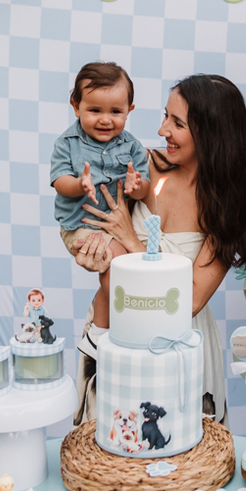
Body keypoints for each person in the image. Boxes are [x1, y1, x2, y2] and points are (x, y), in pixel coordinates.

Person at [71, 74, 246, 427]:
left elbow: (189, 299)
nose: (162, 131)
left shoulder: (230, 205)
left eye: (177, 123)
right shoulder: (141, 167)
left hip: (178, 347)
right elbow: (93, 223)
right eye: (165, 117)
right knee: (107, 449)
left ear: (211, 132)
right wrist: (89, 249)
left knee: (176, 453)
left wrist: (132, 240)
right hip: (116, 329)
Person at [51, 63, 150, 342]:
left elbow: (145, 188)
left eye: (115, 112)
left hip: (116, 227)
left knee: (118, 268)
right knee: (119, 265)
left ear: (129, 110)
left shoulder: (132, 147)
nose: (105, 120)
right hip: (81, 225)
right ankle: (116, 332)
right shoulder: (67, 144)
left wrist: (136, 186)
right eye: (95, 110)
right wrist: (78, 184)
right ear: (76, 106)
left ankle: (100, 333)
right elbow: (60, 181)